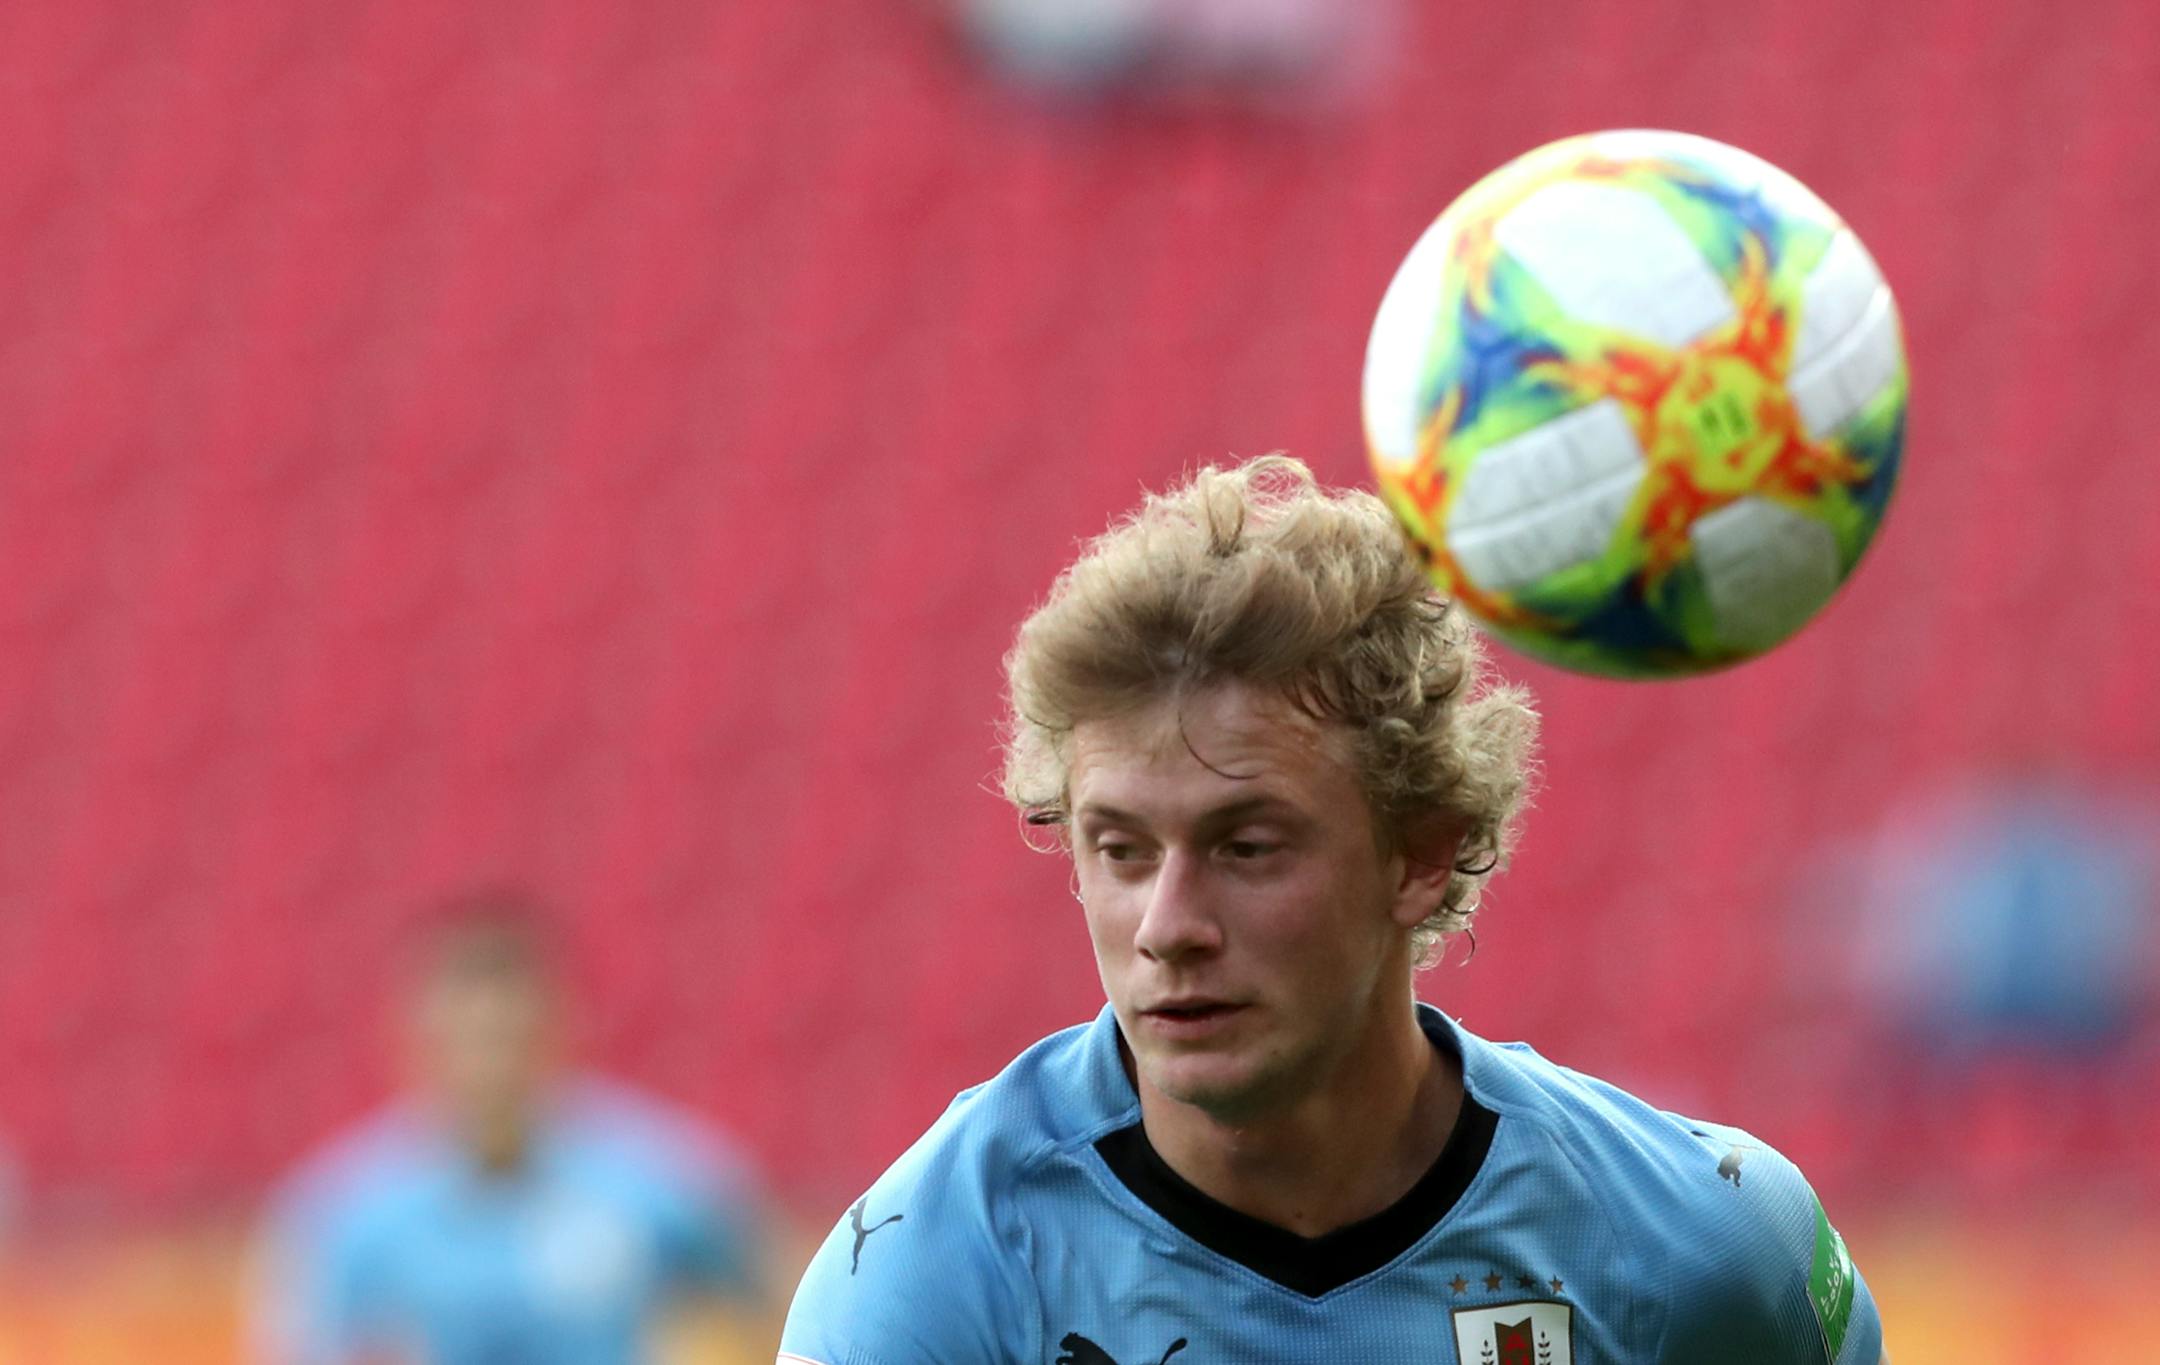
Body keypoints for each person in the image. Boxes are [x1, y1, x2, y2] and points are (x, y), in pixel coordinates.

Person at [779, 457, 1887, 1363]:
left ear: (1421, 853)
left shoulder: (1694, 1246)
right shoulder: (943, 1268)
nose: (1167, 924)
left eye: (1246, 846)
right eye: (1120, 849)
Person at [251, 894, 775, 1365]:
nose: (490, 1066)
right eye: (469, 1039)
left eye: (506, 1036)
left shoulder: (664, 1178)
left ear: (557, 1025)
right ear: (416, 1038)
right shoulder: (346, 1212)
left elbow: (772, 1313)